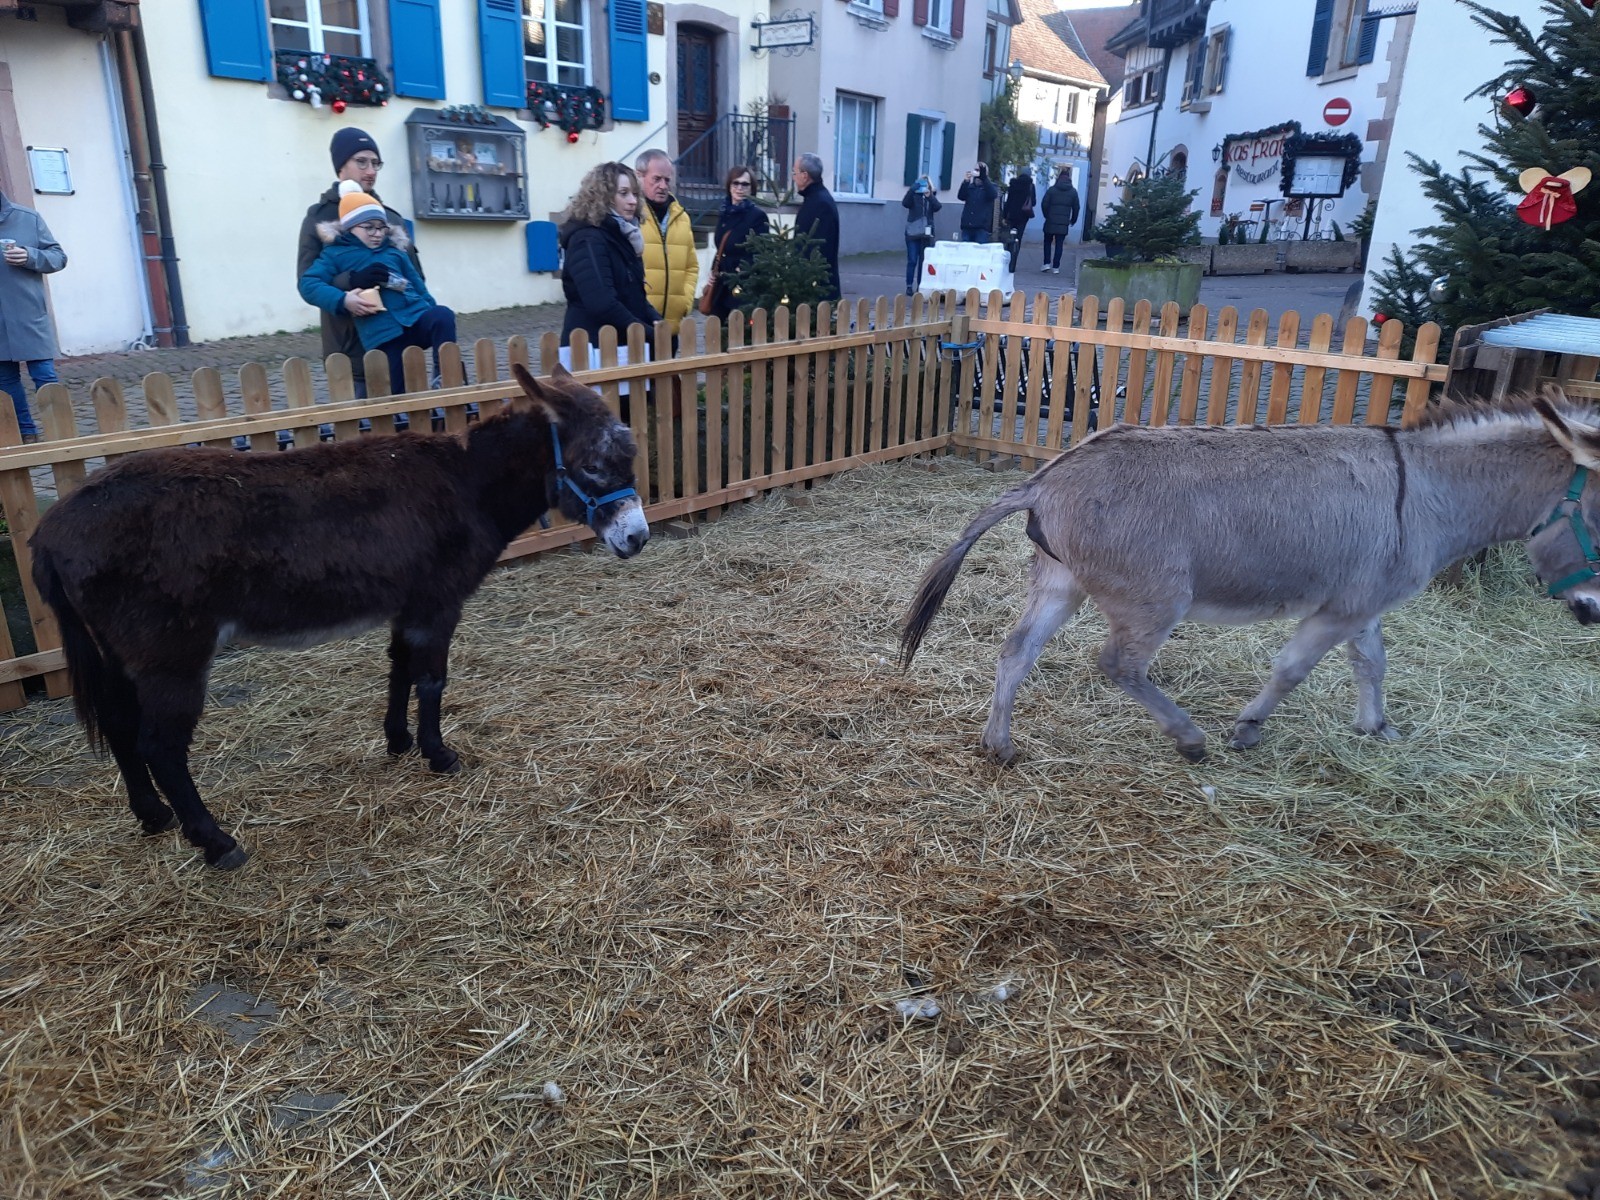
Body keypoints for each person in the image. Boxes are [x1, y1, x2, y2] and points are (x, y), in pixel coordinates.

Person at [296, 127, 422, 396]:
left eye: (376, 163)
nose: (371, 171)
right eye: (361, 162)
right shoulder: (320, 218)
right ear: (341, 167)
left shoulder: (391, 218)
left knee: (409, 418)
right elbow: (307, 281)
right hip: (351, 346)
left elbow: (416, 278)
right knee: (361, 420)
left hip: (401, 340)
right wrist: (351, 282)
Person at [299, 182, 455, 396]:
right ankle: (401, 414)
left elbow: (418, 286)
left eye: (381, 227)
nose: (377, 234)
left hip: (414, 318)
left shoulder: (394, 252)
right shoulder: (335, 254)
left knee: (442, 316)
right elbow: (308, 283)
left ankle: (445, 376)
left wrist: (429, 308)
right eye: (369, 227)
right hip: (383, 334)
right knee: (397, 390)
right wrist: (343, 300)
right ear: (350, 227)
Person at [558, 161, 659, 347]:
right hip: (594, 345)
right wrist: (647, 332)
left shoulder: (622, 235)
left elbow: (634, 295)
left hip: (622, 342)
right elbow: (601, 302)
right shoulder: (587, 239)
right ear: (603, 197)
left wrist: (656, 321)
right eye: (624, 193)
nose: (633, 201)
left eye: (635, 194)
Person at [0, 190, 66, 445]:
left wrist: (30, 256)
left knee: (44, 375)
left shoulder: (27, 218)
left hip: (27, 313)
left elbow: (58, 257)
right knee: (5, 381)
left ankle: (61, 431)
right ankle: (25, 433)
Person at [634, 149, 698, 329]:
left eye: (667, 180)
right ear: (639, 176)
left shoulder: (681, 217)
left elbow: (691, 266)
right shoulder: (631, 216)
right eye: (656, 179)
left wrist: (685, 302)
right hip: (639, 323)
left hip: (672, 325)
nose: (663, 186)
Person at [706, 165, 770, 321]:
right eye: (735, 183)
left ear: (751, 188)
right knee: (717, 327)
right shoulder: (724, 212)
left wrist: (742, 270)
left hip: (742, 284)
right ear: (729, 186)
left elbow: (761, 252)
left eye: (745, 184)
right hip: (722, 282)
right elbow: (721, 247)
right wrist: (713, 270)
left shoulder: (757, 216)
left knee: (737, 327)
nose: (739, 188)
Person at [792, 152, 841, 302]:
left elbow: (820, 249)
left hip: (818, 288)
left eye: (794, 173)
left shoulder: (820, 204)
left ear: (804, 176)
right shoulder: (813, 199)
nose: (793, 177)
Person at [901, 175, 942, 296]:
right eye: (921, 183)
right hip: (912, 233)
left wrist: (930, 196)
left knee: (923, 262)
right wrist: (912, 190)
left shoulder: (930, 196)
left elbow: (938, 207)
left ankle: (921, 285)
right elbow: (905, 203)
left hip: (926, 235)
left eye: (926, 183)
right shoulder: (913, 196)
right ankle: (909, 286)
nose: (923, 186)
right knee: (912, 260)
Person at [1039, 167, 1081, 274]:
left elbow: (1044, 204)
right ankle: (1056, 267)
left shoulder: (1052, 190)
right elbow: (1076, 208)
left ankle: (1046, 263)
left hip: (1050, 221)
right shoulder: (1073, 192)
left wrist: (1047, 216)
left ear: (1059, 177)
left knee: (1047, 242)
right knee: (1059, 244)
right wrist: (1073, 220)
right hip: (1063, 222)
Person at [1001, 167, 1037, 272]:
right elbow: (1033, 202)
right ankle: (1013, 263)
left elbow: (1008, 201)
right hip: (1023, 216)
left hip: (1012, 215)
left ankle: (1007, 259)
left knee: (1009, 238)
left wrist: (1004, 216)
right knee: (1018, 238)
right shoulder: (1031, 186)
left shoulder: (1013, 184)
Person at [957, 163, 999, 243]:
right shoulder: (970, 186)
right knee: (965, 248)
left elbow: (993, 195)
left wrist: (984, 178)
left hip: (981, 228)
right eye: (976, 170)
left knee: (979, 249)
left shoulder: (990, 187)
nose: (977, 172)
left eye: (980, 170)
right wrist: (966, 182)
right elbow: (961, 196)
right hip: (967, 226)